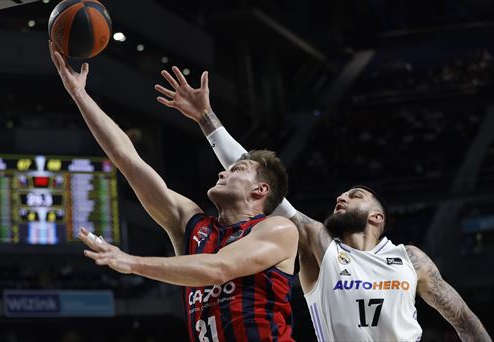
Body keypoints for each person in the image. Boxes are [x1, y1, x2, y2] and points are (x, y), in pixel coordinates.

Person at [155, 66, 492, 342]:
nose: (341, 198)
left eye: (355, 196)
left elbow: (462, 319)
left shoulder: (411, 258)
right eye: (340, 195)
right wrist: (206, 119)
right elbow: (250, 171)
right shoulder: (320, 244)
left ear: (377, 216)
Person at [49, 43, 300, 341]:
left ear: (261, 190)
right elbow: (127, 159)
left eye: (237, 169)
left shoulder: (279, 230)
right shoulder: (191, 224)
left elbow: (219, 268)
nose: (223, 171)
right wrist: (80, 95)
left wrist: (131, 262)